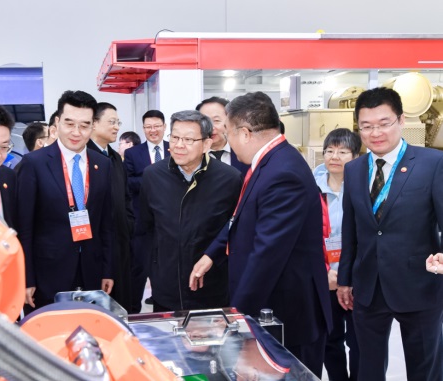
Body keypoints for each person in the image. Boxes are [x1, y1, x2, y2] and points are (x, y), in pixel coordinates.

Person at [190, 91, 331, 377]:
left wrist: (236, 316)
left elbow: (268, 253)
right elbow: (241, 218)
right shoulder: (271, 161)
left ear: (244, 133)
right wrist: (212, 253)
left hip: (289, 312)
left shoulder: (282, 173)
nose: (227, 141)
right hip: (275, 306)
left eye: (227, 132)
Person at [337, 87, 443, 381]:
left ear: (401, 120)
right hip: (368, 287)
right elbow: (351, 229)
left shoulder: (432, 163)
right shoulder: (354, 169)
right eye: (366, 126)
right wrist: (345, 279)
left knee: (425, 369)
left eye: (384, 123)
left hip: (419, 285)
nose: (375, 133)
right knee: (367, 368)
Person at [16, 90, 114, 310]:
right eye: (69, 123)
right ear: (57, 123)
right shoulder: (34, 163)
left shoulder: (103, 164)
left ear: (93, 126)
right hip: (47, 273)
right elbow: (25, 227)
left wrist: (107, 270)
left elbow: (106, 222)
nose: (76, 132)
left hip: (91, 270)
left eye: (84, 125)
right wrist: (26, 277)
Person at [137, 110, 241, 312]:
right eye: (175, 137)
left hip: (211, 286)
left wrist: (213, 257)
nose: (179, 145)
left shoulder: (229, 179)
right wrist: (153, 270)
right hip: (166, 287)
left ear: (206, 144)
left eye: (188, 139)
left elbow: (234, 229)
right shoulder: (153, 175)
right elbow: (145, 229)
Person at [313, 128, 360, 381]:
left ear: (355, 156)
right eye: (329, 151)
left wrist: (349, 276)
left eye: (343, 152)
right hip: (326, 276)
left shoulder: (364, 188)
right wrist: (324, 272)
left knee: (359, 341)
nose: (334, 157)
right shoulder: (311, 187)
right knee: (330, 340)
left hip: (357, 278)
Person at [87, 102, 134, 312]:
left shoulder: (115, 158)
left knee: (121, 303)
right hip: (97, 243)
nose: (116, 127)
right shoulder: (85, 156)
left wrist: (129, 224)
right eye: (112, 122)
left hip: (121, 241)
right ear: (94, 123)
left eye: (118, 123)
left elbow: (126, 197)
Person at [123, 109, 170, 313]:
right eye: (148, 127)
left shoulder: (174, 149)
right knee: (139, 270)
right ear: (143, 129)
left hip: (170, 221)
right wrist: (155, 178)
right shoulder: (133, 153)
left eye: (157, 126)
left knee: (166, 270)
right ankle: (133, 312)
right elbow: (127, 182)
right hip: (142, 222)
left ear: (164, 127)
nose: (153, 130)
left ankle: (164, 310)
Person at [196, 97, 249, 176]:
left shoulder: (245, 151)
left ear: (230, 122)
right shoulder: (192, 154)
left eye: (216, 120)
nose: (211, 127)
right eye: (205, 122)